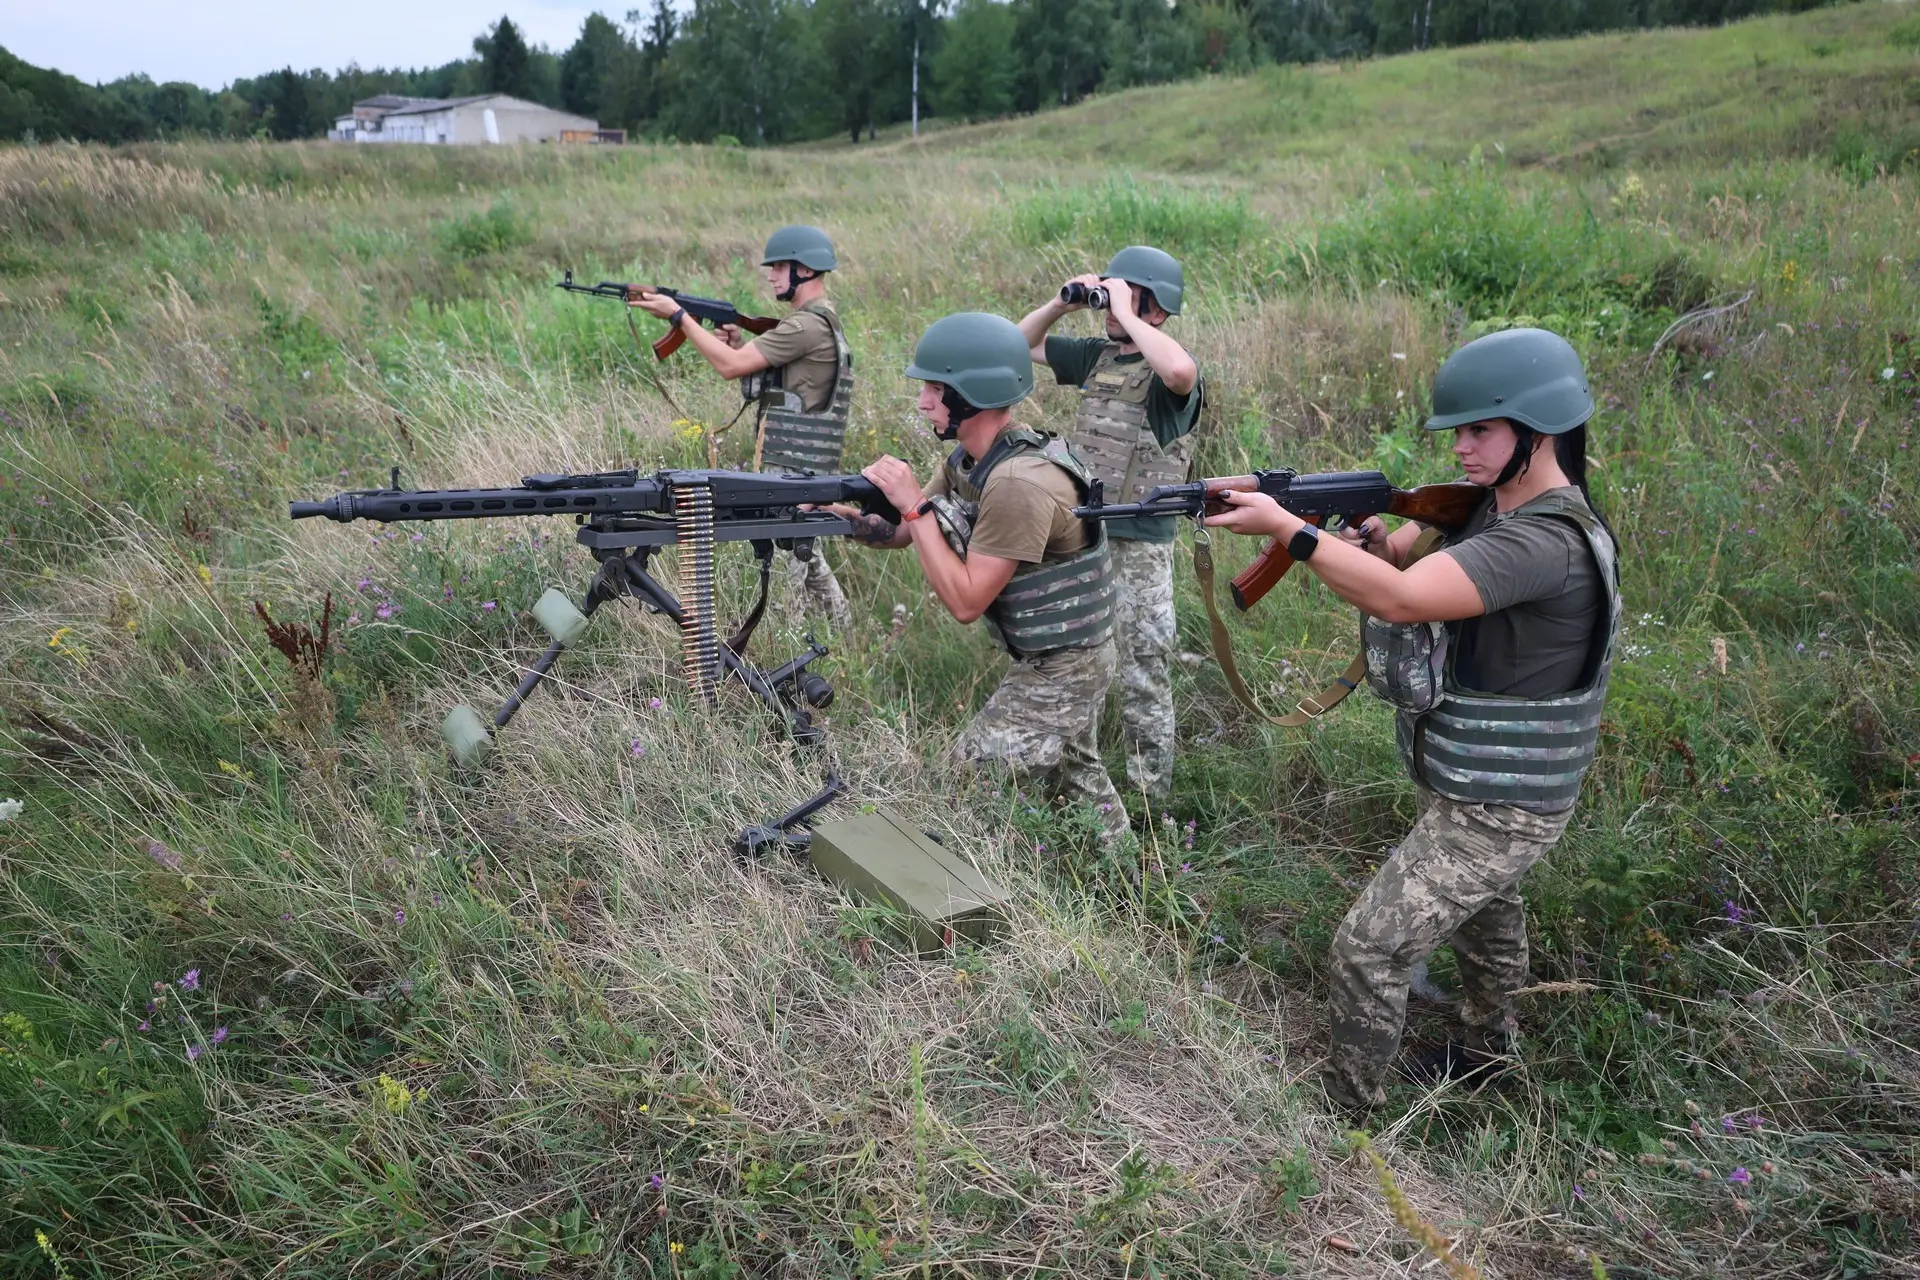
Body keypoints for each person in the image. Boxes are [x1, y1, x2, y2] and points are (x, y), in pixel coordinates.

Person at [1203, 327, 1622, 1112]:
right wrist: (1363, 540)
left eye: (1481, 430)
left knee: (1368, 948)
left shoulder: (1543, 542)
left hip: (1502, 805)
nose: (1461, 447)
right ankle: (1488, 1052)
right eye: (1458, 430)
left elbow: (1400, 599)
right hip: (1474, 780)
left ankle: (1346, 1115)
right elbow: (1402, 570)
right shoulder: (1491, 510)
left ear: (1543, 428)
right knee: (1486, 914)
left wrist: (1290, 534)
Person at [837, 312, 1130, 845]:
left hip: (1067, 663)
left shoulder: (1020, 483)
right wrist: (833, 511)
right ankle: (1135, 891)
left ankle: (958, 905)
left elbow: (967, 599)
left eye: (934, 388)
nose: (923, 401)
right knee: (1078, 780)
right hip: (1060, 653)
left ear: (973, 395)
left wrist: (913, 507)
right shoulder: (975, 459)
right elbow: (904, 532)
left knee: (964, 785)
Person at [1018, 246, 1202, 814]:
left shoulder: (1170, 375)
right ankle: (1080, 792)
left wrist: (1125, 305)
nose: (1110, 303)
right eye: (1110, 291)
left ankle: (1151, 804)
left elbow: (1179, 370)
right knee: (1082, 661)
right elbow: (1016, 346)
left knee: (1143, 672)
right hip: (1085, 536)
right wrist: (1058, 302)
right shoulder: (1100, 357)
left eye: (1128, 293)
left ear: (1156, 308)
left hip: (1141, 549)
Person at [631, 224, 854, 628]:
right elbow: (761, 374)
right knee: (805, 556)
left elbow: (729, 367)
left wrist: (680, 317)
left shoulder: (803, 326)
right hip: (802, 469)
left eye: (778, 267)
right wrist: (735, 343)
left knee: (787, 582)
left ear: (804, 270)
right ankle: (845, 636)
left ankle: (788, 653)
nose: (770, 276)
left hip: (790, 474)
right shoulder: (823, 322)